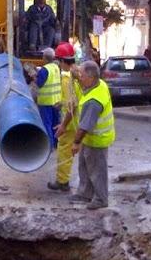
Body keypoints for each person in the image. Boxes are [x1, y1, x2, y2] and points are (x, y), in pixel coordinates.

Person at [70, 60, 116, 210]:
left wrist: (76, 143)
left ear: (90, 77)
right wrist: (75, 73)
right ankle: (85, 193)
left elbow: (84, 127)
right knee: (84, 166)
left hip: (97, 140)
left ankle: (101, 199)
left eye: (82, 76)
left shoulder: (93, 102)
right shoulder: (99, 84)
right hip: (90, 139)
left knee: (97, 171)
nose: (80, 78)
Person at [49, 42, 82, 192]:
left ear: (62, 61)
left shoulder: (67, 78)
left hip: (71, 122)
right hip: (79, 121)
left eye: (59, 60)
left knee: (64, 151)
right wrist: (62, 103)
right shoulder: (79, 74)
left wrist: (63, 125)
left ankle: (62, 182)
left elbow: (72, 105)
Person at [35, 47, 62, 149]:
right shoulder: (56, 67)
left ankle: (48, 146)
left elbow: (39, 83)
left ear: (45, 58)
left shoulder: (44, 70)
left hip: (46, 101)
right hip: (56, 100)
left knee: (47, 124)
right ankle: (55, 143)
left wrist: (34, 78)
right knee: (55, 123)